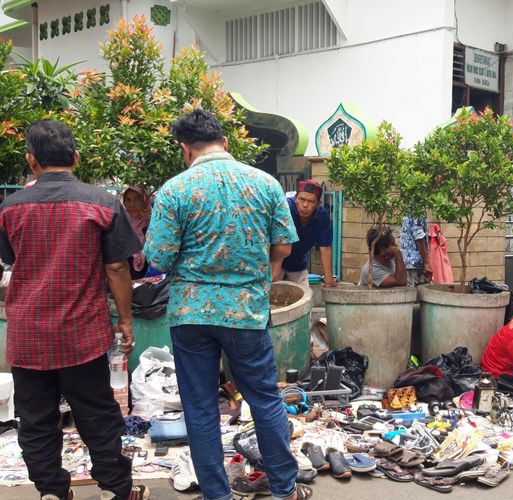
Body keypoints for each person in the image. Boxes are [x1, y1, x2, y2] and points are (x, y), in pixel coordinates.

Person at [143, 110, 310, 500]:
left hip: (192, 314)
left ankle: (217, 494)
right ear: (226, 142)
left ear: (185, 149)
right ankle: (284, 489)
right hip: (246, 312)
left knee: (201, 408)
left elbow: (159, 258)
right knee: (265, 399)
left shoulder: (175, 190)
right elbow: (284, 247)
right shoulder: (265, 184)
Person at [0, 120, 148, 500]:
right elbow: (117, 267)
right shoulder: (101, 202)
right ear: (76, 157)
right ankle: (115, 490)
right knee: (97, 414)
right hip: (82, 333)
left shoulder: (10, 207)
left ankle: (51, 492)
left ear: (32, 161)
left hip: (28, 334)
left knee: (35, 419)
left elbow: (10, 260)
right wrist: (126, 322)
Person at [273, 180, 335, 288]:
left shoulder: (322, 216)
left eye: (310, 202)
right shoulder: (286, 208)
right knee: (272, 296)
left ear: (318, 204)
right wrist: (274, 275)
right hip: (275, 260)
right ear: (296, 198)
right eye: (302, 199)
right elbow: (280, 240)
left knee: (303, 299)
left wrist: (329, 281)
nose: (305, 205)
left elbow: (325, 247)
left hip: (298, 264)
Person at [122, 186, 151, 279]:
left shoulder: (156, 224)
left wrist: (151, 223)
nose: (131, 204)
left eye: (137, 199)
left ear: (146, 202)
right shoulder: (120, 224)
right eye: (128, 199)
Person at [400, 215, 432, 286]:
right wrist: (427, 262)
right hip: (415, 264)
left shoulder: (408, 207)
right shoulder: (417, 208)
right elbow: (418, 234)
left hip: (409, 262)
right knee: (418, 294)